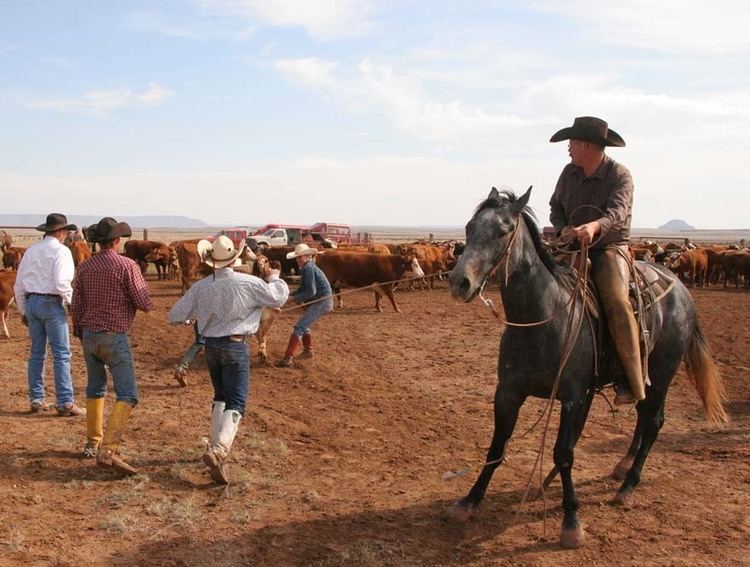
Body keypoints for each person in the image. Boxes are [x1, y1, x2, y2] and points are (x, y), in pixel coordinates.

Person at [168, 235, 289, 484]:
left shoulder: (201, 287)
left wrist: (194, 316)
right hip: (235, 345)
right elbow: (277, 298)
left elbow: (175, 314)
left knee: (221, 395)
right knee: (236, 400)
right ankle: (219, 449)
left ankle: (214, 443)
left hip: (211, 346)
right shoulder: (248, 282)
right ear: (235, 257)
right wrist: (275, 278)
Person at [548, 116, 644, 405]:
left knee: (616, 300)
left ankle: (630, 379)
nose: (569, 149)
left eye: (573, 143)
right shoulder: (569, 173)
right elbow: (555, 207)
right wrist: (564, 227)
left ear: (588, 146)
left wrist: (594, 227)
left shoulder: (620, 175)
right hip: (572, 245)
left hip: (609, 248)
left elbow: (618, 213)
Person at [71, 217, 154, 474]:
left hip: (89, 335)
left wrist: (80, 332)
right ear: (117, 241)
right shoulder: (127, 266)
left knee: (95, 388)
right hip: (114, 335)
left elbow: (76, 304)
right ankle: (108, 447)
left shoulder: (85, 267)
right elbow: (144, 302)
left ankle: (92, 441)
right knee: (128, 393)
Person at [14, 213, 85, 416]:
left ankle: (37, 399)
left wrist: (23, 309)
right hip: (52, 303)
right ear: (61, 232)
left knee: (37, 353)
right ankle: (65, 402)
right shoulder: (61, 252)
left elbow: (19, 283)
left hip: (32, 302)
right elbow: (62, 283)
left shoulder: (31, 251)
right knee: (61, 354)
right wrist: (73, 304)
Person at [277, 243, 333, 368]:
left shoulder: (308, 268)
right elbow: (303, 288)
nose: (298, 260)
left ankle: (287, 358)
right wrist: (289, 296)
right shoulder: (307, 267)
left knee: (299, 327)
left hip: (323, 301)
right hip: (321, 300)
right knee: (304, 325)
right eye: (297, 257)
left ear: (307, 256)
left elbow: (310, 291)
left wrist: (293, 299)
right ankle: (308, 351)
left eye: (300, 257)